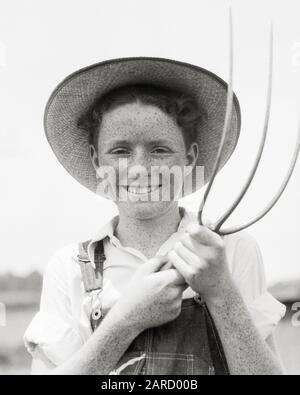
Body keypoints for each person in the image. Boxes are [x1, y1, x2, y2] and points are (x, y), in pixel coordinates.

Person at [23, 58, 286, 375]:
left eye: (160, 150)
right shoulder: (70, 267)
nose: (139, 169)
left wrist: (221, 292)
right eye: (120, 151)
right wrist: (126, 319)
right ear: (96, 160)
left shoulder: (232, 251)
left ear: (189, 158)